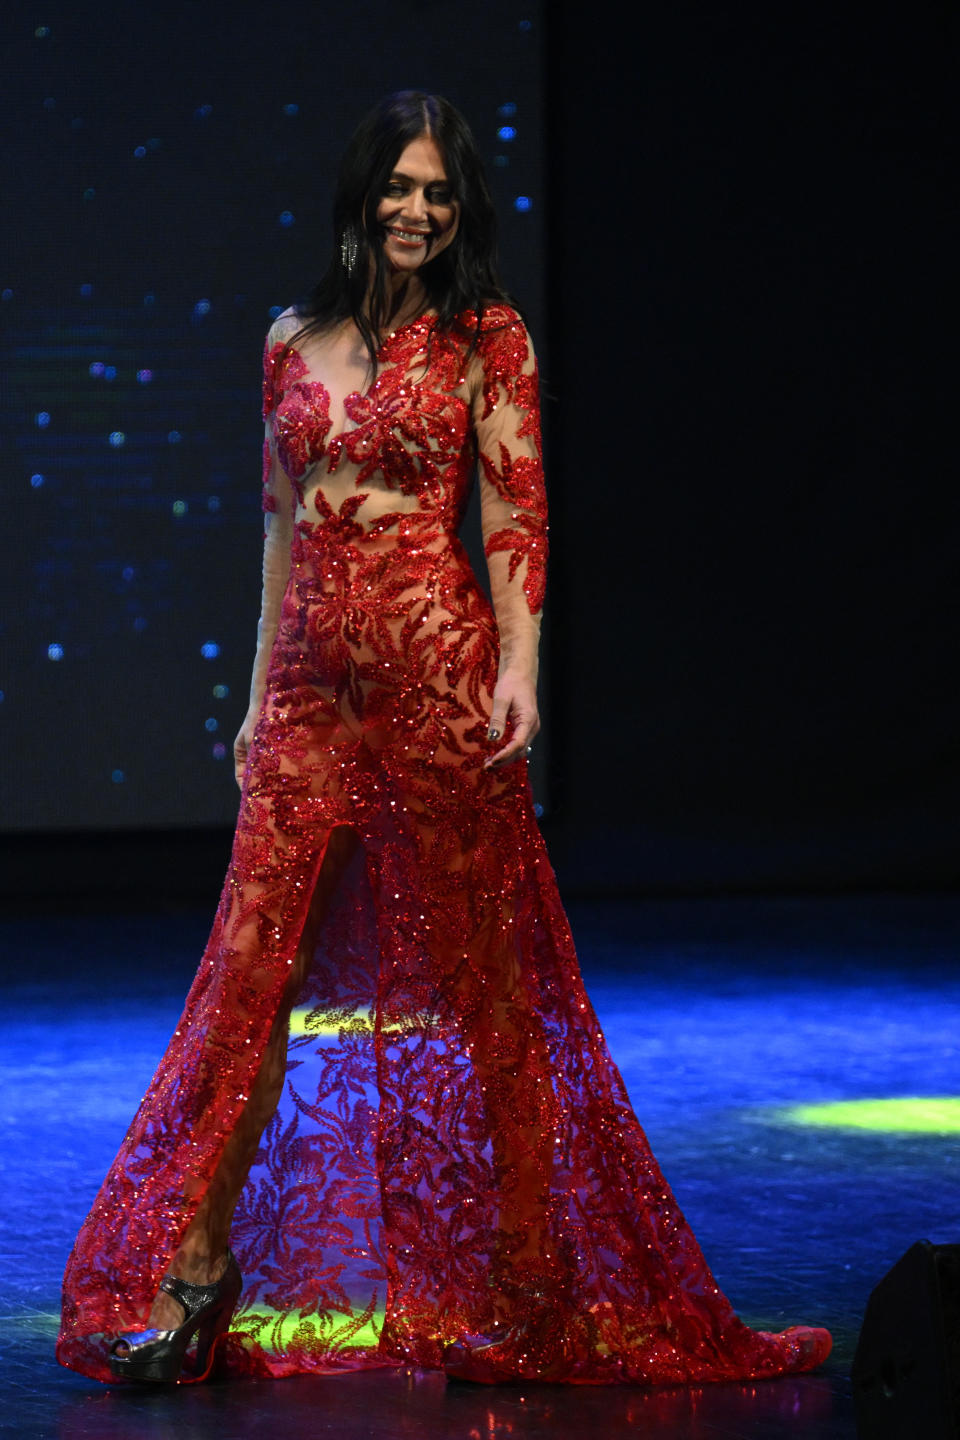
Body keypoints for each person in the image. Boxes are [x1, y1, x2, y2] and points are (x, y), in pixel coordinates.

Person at [57, 91, 831, 1387]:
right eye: (399, 189)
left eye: (439, 194)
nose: (417, 212)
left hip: (436, 684)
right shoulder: (286, 341)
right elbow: (276, 527)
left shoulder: (488, 339)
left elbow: (516, 510)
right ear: (360, 196)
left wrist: (521, 669)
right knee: (248, 991)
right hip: (309, 699)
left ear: (457, 211)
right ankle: (195, 1272)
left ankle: (526, 1292)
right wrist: (253, 696)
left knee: (488, 993)